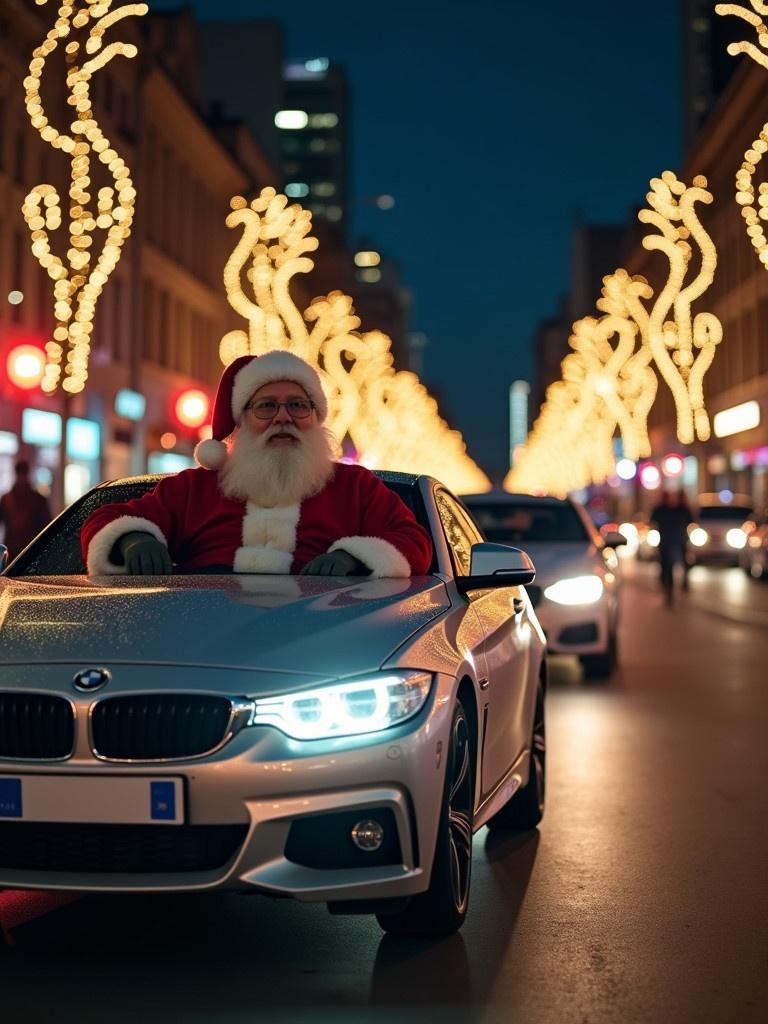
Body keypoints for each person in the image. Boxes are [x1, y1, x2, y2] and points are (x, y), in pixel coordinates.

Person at [81, 351, 433, 577]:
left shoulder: (355, 487)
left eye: (298, 405)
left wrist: (352, 558)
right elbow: (105, 521)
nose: (283, 418)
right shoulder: (194, 488)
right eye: (266, 406)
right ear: (242, 420)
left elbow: (414, 542)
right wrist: (133, 540)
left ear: (316, 417)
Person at [0, 459, 52, 560]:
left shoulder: (7, 498)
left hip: (22, 549)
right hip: (27, 549)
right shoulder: (38, 499)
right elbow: (47, 524)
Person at [649, 490, 693, 604]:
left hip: (672, 540)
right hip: (673, 540)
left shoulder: (676, 509)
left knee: (670, 564)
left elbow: (653, 522)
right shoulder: (676, 509)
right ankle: (670, 585)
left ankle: (674, 584)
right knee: (668, 564)